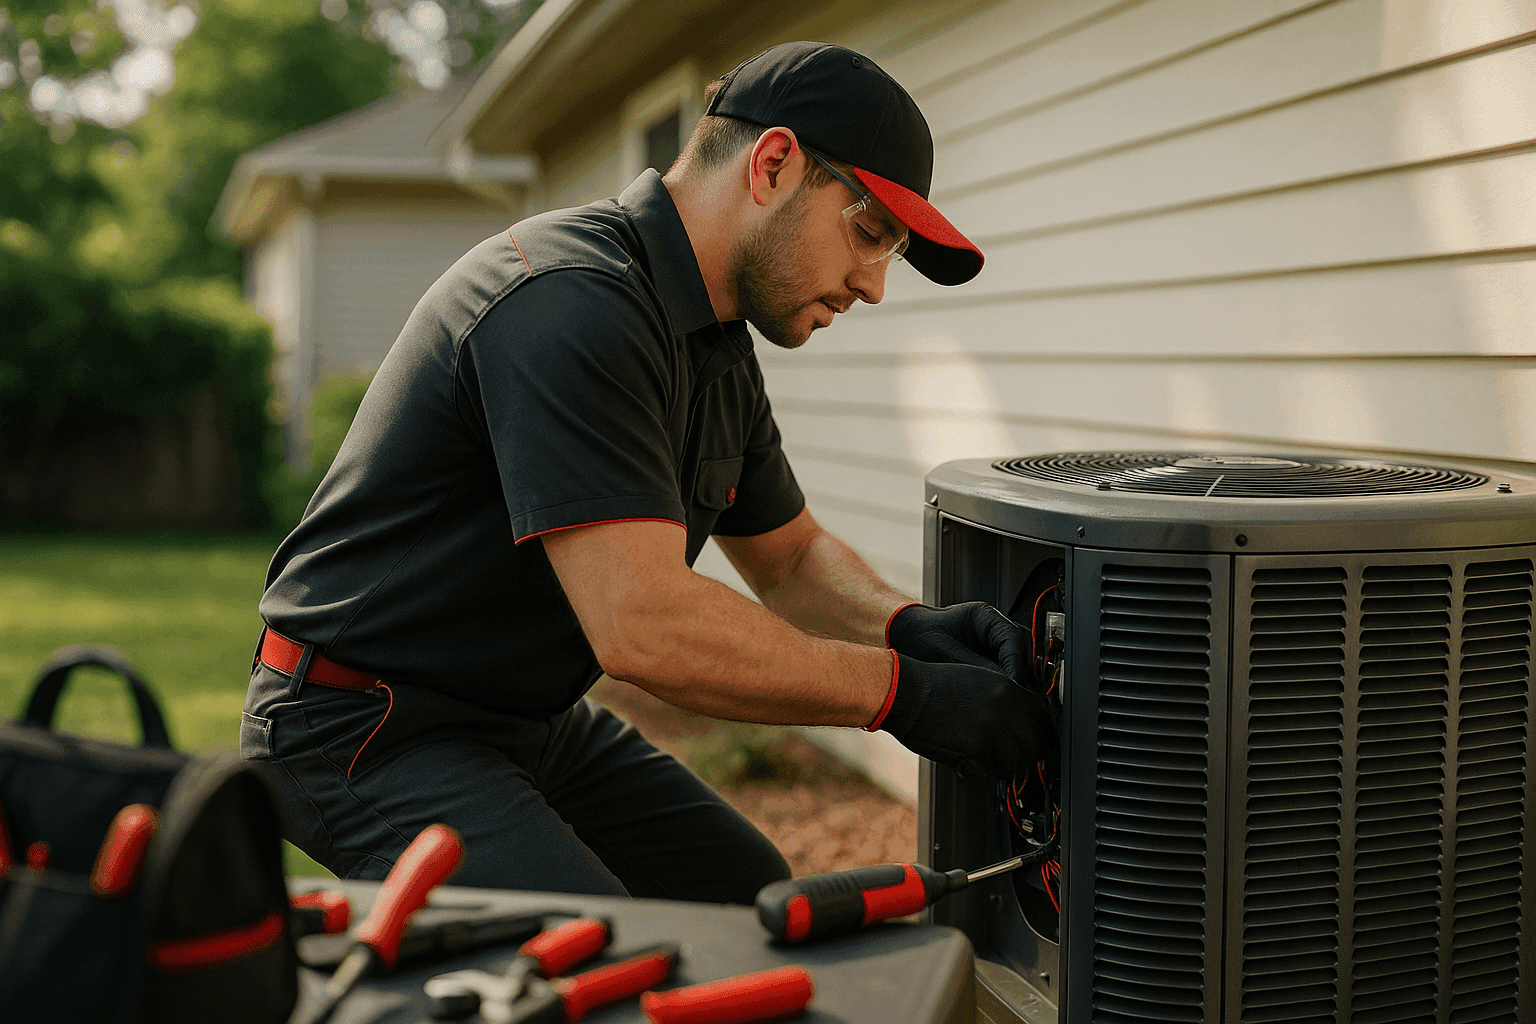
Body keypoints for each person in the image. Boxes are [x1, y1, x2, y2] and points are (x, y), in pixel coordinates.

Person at [240, 41, 1054, 903]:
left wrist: (905, 627)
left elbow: (788, 557)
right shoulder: (569, 302)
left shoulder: (716, 339)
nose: (874, 286)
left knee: (740, 891)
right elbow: (646, 625)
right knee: (591, 961)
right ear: (773, 164)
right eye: (868, 232)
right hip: (363, 720)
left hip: (519, 720)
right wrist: (902, 696)